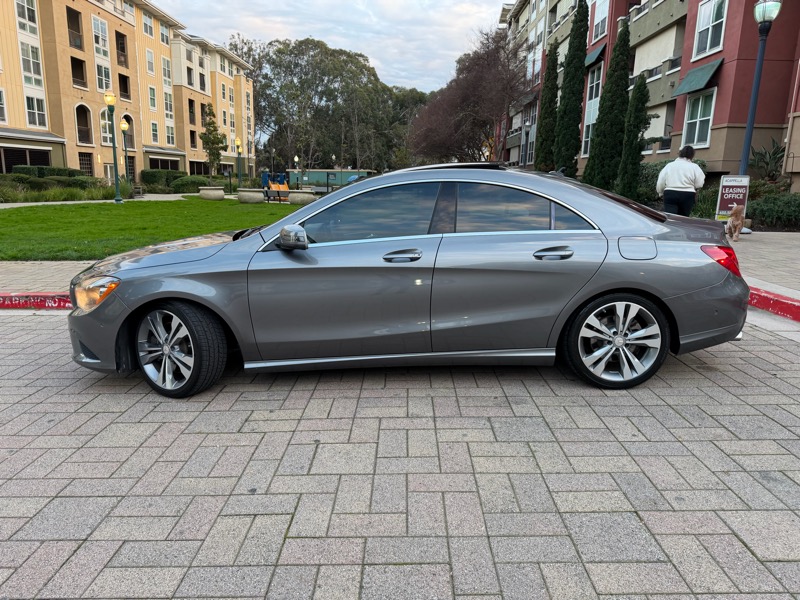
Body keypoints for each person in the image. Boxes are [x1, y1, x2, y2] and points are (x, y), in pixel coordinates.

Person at [656, 145, 705, 216]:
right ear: (692, 155)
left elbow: (661, 181)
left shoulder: (669, 166)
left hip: (670, 193)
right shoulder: (694, 167)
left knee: (670, 218)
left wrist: (660, 192)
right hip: (687, 194)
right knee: (683, 219)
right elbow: (699, 183)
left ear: (680, 153)